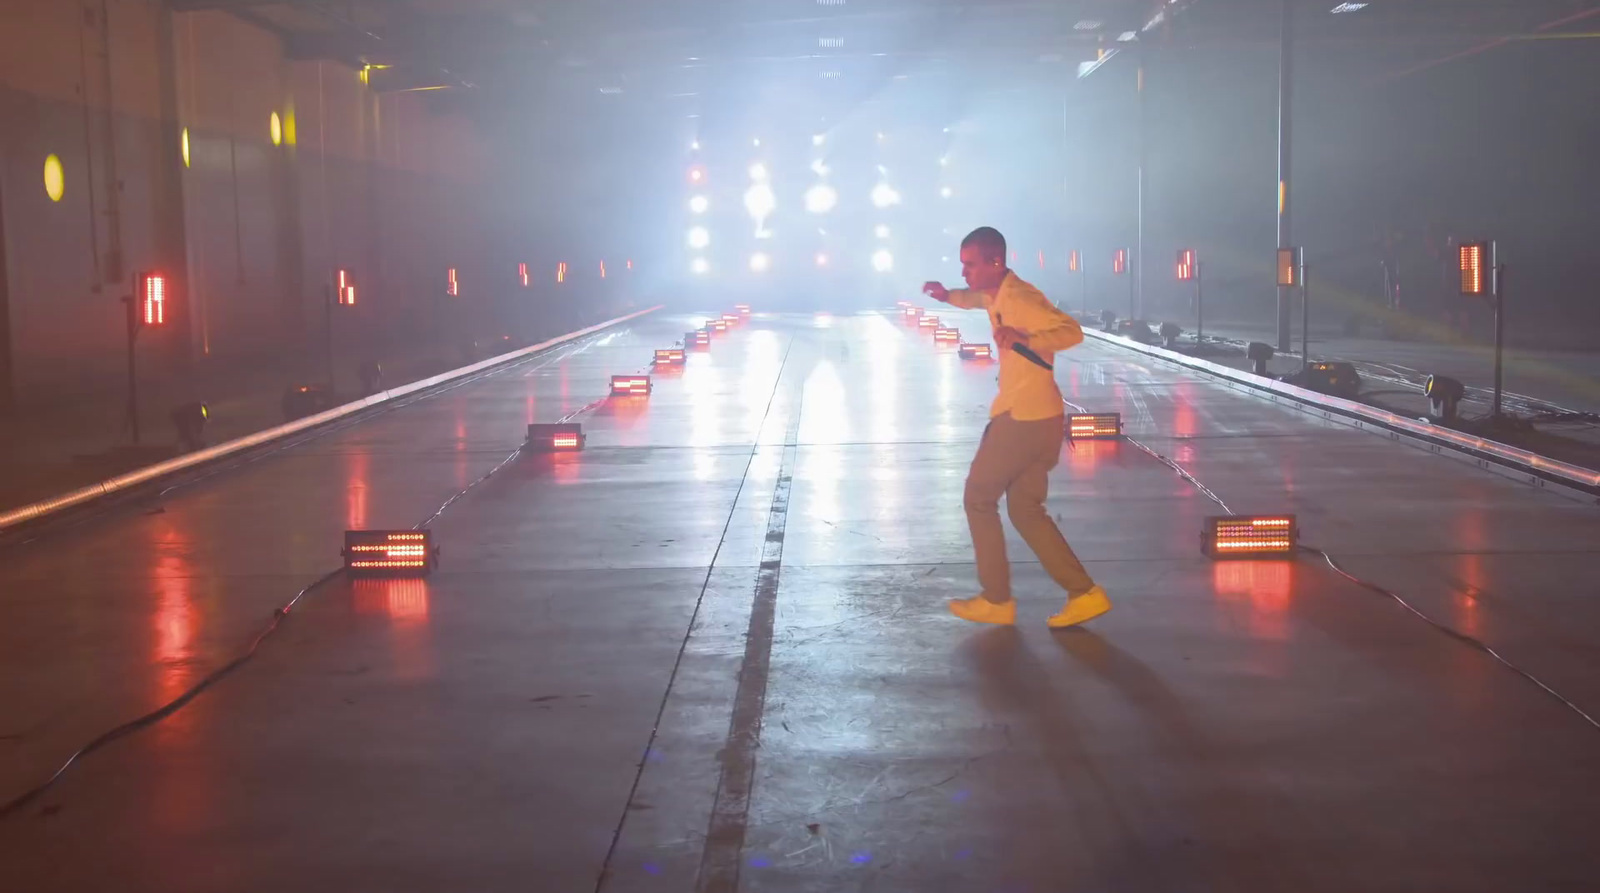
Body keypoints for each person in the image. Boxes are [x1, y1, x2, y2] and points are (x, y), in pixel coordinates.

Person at [923, 227, 1111, 628]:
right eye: (962, 264)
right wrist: (947, 296)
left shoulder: (1022, 299)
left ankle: (996, 599)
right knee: (1025, 509)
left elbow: (1071, 331)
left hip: (1022, 419)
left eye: (970, 264)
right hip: (1041, 416)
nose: (965, 271)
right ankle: (1085, 594)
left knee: (978, 498)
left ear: (996, 262)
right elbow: (975, 298)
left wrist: (1026, 334)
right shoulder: (998, 292)